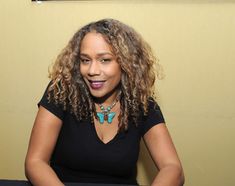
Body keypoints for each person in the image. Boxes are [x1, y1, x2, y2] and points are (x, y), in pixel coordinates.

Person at [25, 18, 184, 186]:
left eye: (105, 60)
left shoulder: (142, 104)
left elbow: (172, 168)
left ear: (126, 64)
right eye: (85, 60)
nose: (92, 71)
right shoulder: (60, 93)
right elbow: (35, 162)